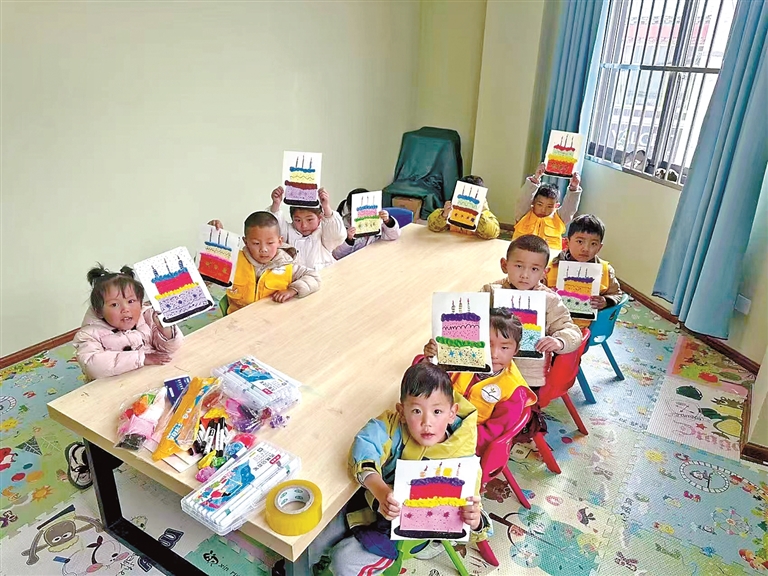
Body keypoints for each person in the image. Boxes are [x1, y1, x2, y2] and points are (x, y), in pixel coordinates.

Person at [320, 363, 491, 575]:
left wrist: (476, 521)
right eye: (417, 411)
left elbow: (477, 516)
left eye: (437, 411)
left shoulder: (463, 461)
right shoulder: (394, 425)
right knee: (318, 538)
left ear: (452, 413)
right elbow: (366, 444)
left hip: (403, 536)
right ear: (402, 411)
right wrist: (380, 489)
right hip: (368, 505)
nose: (427, 422)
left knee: (344, 560)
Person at [70, 264, 185, 488]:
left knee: (160, 424)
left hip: (145, 387)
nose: (126, 310)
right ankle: (82, 455)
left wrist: (166, 329)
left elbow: (170, 348)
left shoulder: (146, 316)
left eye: (131, 301)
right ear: (99, 311)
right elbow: (94, 365)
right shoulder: (89, 334)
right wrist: (142, 358)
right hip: (108, 395)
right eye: (115, 304)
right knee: (110, 439)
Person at [419, 308, 537, 455]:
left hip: (468, 443)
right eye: (487, 344)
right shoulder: (461, 359)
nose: (494, 354)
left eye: (504, 347)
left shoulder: (514, 390)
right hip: (436, 420)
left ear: (516, 350)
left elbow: (492, 434)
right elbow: (423, 383)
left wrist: (453, 442)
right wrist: (431, 359)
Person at [482, 234, 582, 389]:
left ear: (544, 272)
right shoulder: (490, 292)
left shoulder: (550, 300)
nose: (525, 275)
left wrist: (559, 341)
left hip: (527, 378)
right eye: (519, 266)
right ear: (504, 265)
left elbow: (572, 331)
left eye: (534, 269)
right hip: (489, 370)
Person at [210, 211, 320, 314]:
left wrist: (293, 290)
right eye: (256, 243)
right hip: (238, 320)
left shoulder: (287, 264)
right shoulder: (235, 260)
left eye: (270, 243)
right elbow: (208, 271)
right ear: (246, 242)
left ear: (279, 241)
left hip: (273, 319)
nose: (263, 249)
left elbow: (314, 277)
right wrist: (213, 238)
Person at [544, 214, 623, 321]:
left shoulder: (606, 271)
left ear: (599, 248)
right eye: (580, 241)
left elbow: (616, 294)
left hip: (585, 325)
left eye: (593, 244)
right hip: (551, 321)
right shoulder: (550, 267)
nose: (586, 248)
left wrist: (606, 301)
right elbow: (535, 290)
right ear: (567, 242)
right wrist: (547, 293)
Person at [268, 186, 345, 270]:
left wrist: (326, 207)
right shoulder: (289, 231)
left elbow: (336, 234)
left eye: (309, 220)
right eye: (298, 220)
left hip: (323, 275)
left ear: (320, 217)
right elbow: (274, 229)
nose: (304, 225)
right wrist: (276, 204)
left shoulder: (324, 234)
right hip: (297, 276)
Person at [513, 163, 582, 251]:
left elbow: (570, 208)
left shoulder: (559, 218)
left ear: (556, 206)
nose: (543, 209)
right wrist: (535, 178)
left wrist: (574, 187)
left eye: (549, 206)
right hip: (522, 253)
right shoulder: (523, 213)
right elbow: (523, 199)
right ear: (533, 202)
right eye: (539, 204)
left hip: (549, 255)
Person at [333, 188, 400, 260]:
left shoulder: (379, 220)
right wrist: (349, 240)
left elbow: (394, 235)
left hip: (377, 256)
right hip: (357, 261)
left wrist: (388, 221)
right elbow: (337, 255)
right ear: (350, 210)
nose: (365, 212)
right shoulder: (342, 226)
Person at [427, 175, 500, 240]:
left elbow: (491, 233)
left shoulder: (486, 215)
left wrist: (479, 216)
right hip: (451, 244)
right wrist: (444, 215)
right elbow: (432, 226)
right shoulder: (450, 211)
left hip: (473, 246)